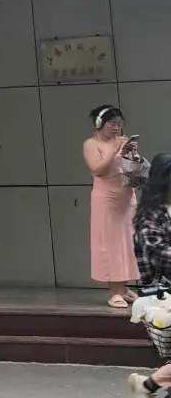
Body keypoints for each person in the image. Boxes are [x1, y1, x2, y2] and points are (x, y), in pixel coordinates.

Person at [125, 153, 171, 398]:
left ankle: (147, 385)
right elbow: (159, 255)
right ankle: (147, 385)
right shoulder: (150, 216)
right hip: (161, 293)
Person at [83, 105, 139, 309]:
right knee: (110, 244)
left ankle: (123, 288)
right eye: (112, 124)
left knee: (128, 243)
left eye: (119, 124)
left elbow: (132, 171)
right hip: (106, 199)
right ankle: (114, 291)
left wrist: (132, 154)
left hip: (126, 197)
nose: (116, 128)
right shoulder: (91, 144)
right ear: (99, 123)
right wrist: (114, 150)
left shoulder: (122, 142)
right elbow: (97, 170)